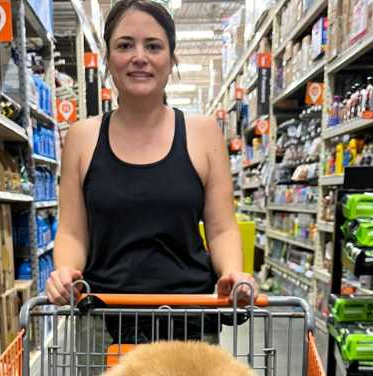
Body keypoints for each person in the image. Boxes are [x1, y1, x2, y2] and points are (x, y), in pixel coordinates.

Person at [46, 0, 256, 315]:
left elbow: (221, 227)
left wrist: (233, 273)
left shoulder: (204, 133)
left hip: (189, 318)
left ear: (171, 60)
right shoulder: (81, 137)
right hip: (104, 320)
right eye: (125, 45)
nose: (139, 58)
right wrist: (64, 273)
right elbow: (73, 231)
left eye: (153, 46)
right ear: (108, 58)